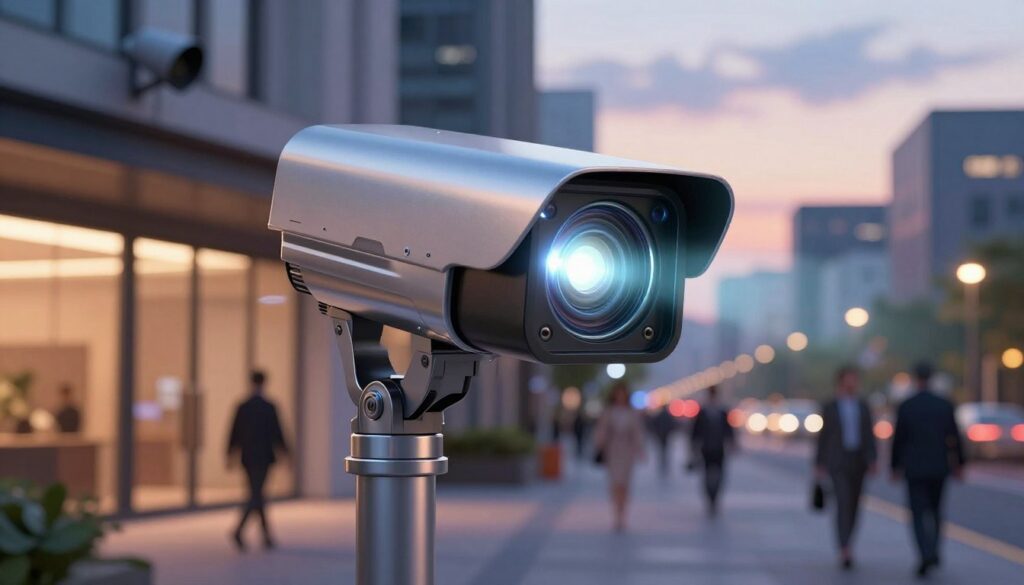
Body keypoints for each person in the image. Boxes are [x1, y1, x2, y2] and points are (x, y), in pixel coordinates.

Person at [891, 362, 965, 578]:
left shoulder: (907, 406)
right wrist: (959, 463)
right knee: (935, 511)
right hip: (938, 466)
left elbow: (899, 440)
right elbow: (954, 437)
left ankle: (924, 552)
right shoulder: (944, 405)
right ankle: (933, 549)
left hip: (914, 468)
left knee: (917, 513)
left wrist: (895, 466)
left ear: (915, 379)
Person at [815, 366, 877, 570]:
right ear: (841, 381)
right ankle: (844, 548)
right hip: (838, 462)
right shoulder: (831, 406)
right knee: (842, 502)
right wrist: (819, 464)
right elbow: (823, 437)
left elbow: (869, 435)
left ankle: (849, 540)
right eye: (850, 379)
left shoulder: (863, 406)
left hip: (858, 461)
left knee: (855, 505)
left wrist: (873, 459)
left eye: (855, 379)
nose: (853, 383)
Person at [228, 370, 289, 551]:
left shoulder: (243, 406)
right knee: (257, 494)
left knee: (257, 494)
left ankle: (265, 536)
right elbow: (278, 432)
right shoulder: (269, 407)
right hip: (264, 457)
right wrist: (285, 453)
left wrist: (230, 454)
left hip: (248, 457)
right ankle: (241, 531)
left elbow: (234, 433)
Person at [594, 382, 646, 532]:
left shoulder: (631, 413)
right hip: (612, 452)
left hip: (627, 452)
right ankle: (617, 513)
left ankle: (623, 513)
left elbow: (637, 433)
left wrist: (640, 449)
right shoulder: (608, 412)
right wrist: (600, 444)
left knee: (625, 483)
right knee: (615, 482)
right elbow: (601, 431)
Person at [690, 385, 735, 516]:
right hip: (706, 449)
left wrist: (732, 443)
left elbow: (729, 430)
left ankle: (715, 498)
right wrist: (693, 448)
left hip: (719, 449)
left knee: (719, 475)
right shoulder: (702, 412)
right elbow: (695, 432)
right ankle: (710, 498)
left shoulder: (722, 412)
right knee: (707, 476)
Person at [650, 404, 676, 478]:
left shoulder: (659, 415)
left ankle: (663, 462)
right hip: (665, 435)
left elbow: (654, 424)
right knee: (665, 449)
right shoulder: (668, 416)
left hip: (661, 435)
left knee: (662, 449)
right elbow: (672, 425)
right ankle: (664, 462)